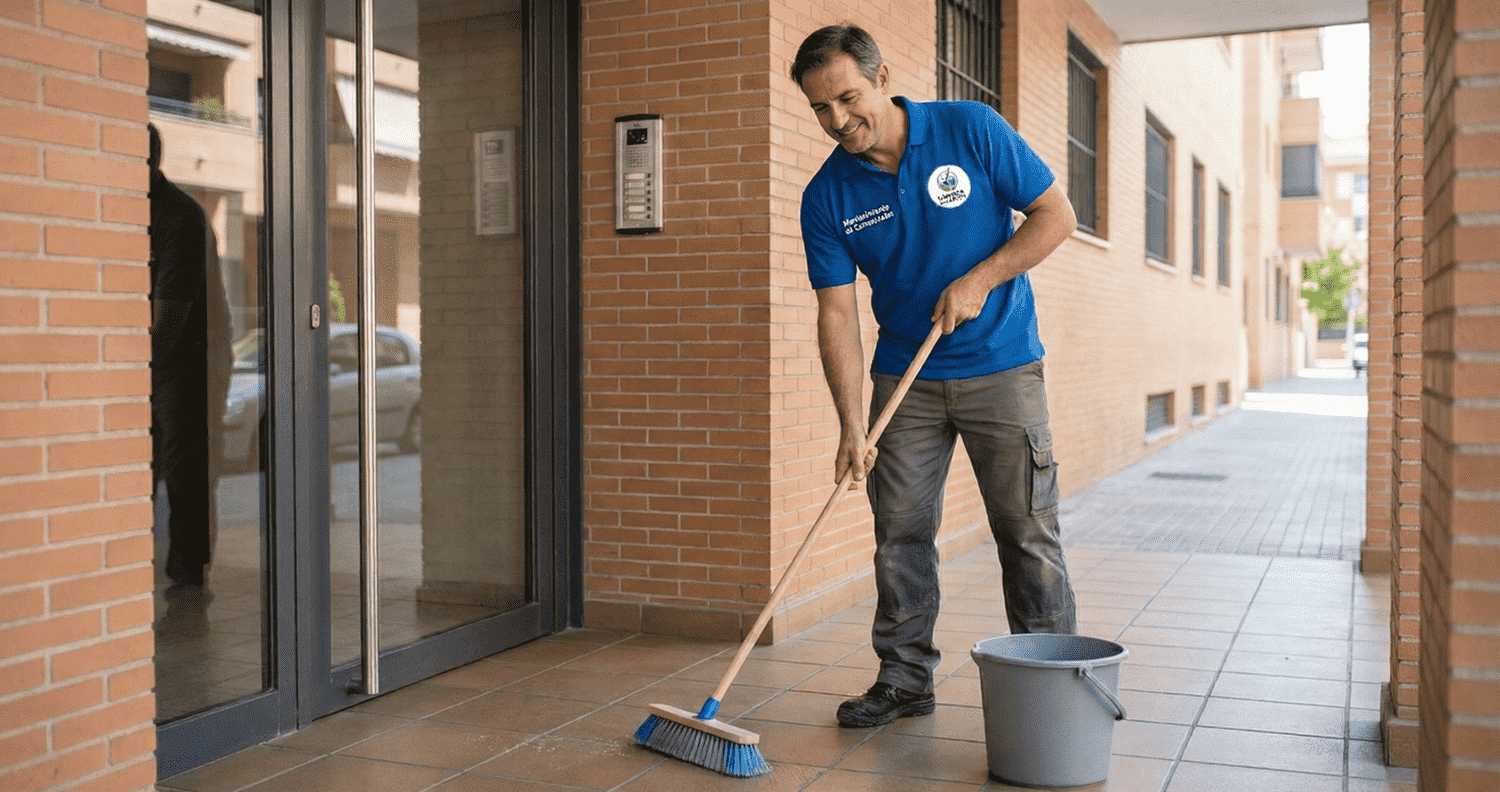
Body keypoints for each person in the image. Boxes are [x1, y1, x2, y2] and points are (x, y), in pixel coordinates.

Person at [792, 24, 1080, 728]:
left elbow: (1056, 215)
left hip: (1001, 364)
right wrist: (851, 424)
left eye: (847, 98)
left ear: (882, 76)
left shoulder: (969, 130)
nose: (838, 120)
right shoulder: (827, 196)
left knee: (1025, 529)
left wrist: (981, 277)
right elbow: (837, 315)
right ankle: (904, 679)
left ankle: (1052, 684)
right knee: (900, 535)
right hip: (905, 378)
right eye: (820, 109)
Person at [148, 123, 232, 587]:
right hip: (156, 358)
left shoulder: (178, 218)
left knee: (185, 469)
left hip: (191, 360)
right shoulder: (131, 211)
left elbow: (168, 322)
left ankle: (188, 575)